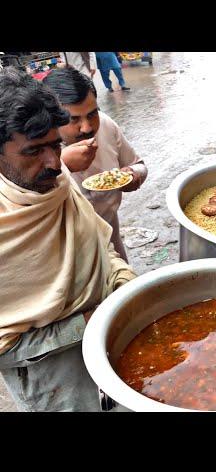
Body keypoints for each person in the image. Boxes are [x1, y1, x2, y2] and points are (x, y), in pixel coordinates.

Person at [0, 67, 136, 411]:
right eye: (33, 151)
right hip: (57, 385)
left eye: (55, 145)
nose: (54, 163)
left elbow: (99, 247)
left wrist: (127, 284)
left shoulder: (55, 186)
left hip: (112, 349)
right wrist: (85, 324)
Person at [43, 68, 147, 261]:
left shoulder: (106, 126)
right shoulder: (39, 149)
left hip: (110, 230)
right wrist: (62, 165)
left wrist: (133, 174)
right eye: (73, 119)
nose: (87, 127)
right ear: (52, 118)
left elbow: (139, 164)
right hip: (68, 251)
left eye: (92, 114)